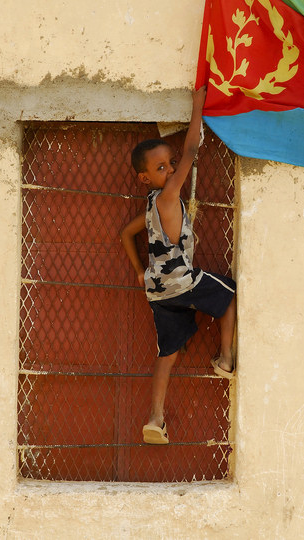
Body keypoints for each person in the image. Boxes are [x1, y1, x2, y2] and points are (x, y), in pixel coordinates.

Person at [120, 86, 237, 445]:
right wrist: (198, 106)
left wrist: (139, 270)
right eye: (161, 167)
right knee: (230, 294)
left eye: (170, 164)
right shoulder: (169, 195)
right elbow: (191, 149)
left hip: (157, 290)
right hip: (182, 280)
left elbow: (125, 235)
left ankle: (156, 417)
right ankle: (225, 358)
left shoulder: (151, 206)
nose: (171, 169)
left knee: (167, 353)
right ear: (146, 178)